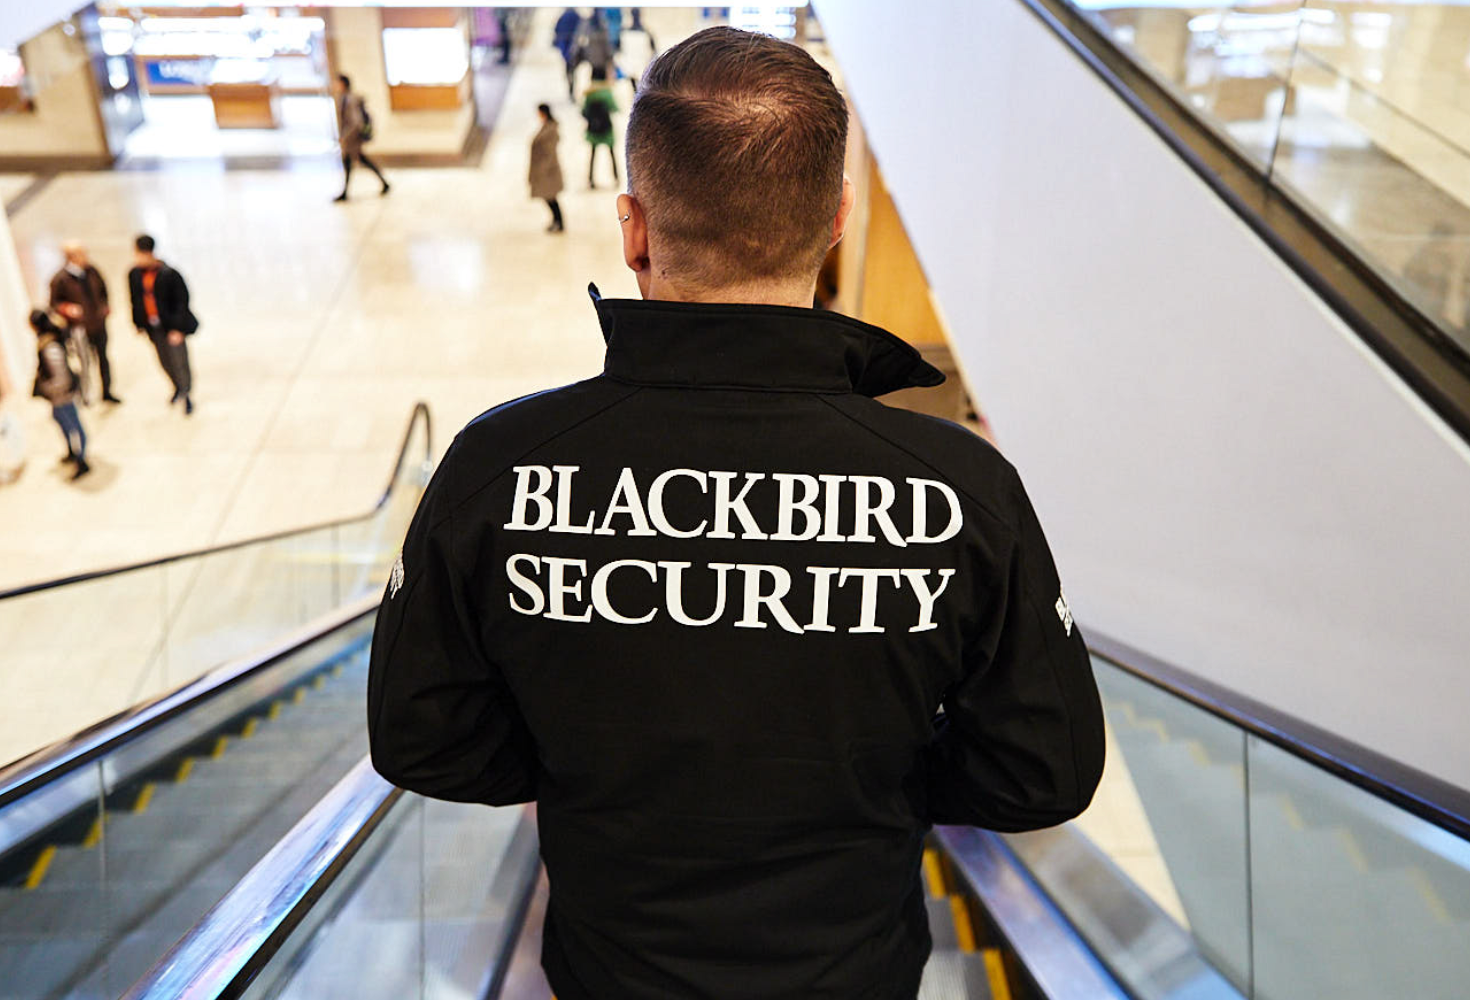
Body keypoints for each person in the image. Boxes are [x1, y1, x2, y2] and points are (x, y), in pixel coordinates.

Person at [368, 26, 1104, 1000]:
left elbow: (421, 733)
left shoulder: (500, 469)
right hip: (853, 974)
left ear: (633, 227)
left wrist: (575, 765)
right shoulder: (959, 491)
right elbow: (1042, 771)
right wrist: (879, 778)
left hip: (612, 973)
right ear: (835, 219)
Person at [127, 234, 198, 415]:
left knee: (179, 361)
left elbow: (182, 302)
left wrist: (178, 328)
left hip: (171, 327)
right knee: (164, 361)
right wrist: (138, 323)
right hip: (153, 327)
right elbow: (135, 300)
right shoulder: (134, 274)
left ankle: (186, 393)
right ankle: (177, 387)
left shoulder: (169, 274)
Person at [49, 239, 120, 405]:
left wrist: (105, 306)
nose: (86, 257)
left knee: (103, 359)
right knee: (85, 363)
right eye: (81, 254)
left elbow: (103, 290)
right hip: (79, 328)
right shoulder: (61, 279)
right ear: (71, 257)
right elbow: (54, 304)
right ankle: (87, 395)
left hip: (98, 323)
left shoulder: (91, 271)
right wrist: (67, 309)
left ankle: (107, 391)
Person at [30, 310, 90, 480]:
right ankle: (73, 452)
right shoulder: (48, 341)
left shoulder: (50, 346)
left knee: (75, 427)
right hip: (58, 395)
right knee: (62, 422)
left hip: (62, 395)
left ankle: (82, 460)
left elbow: (60, 376)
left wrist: (49, 390)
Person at [331, 74, 390, 202]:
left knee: (357, 161)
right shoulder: (344, 98)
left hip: (353, 139)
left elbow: (355, 122)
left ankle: (346, 192)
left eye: (337, 83)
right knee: (353, 162)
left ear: (343, 84)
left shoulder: (350, 99)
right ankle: (346, 191)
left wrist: (344, 137)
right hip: (350, 138)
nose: (334, 86)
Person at [530, 104, 566, 233]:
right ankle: (556, 221)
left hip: (547, 171)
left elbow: (549, 152)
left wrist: (542, 170)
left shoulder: (550, 130)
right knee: (549, 198)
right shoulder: (547, 126)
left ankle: (559, 222)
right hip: (544, 169)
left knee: (551, 198)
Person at [582, 67, 619, 189]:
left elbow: (584, 111)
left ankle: (590, 179)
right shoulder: (607, 92)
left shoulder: (589, 93)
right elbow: (614, 108)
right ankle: (616, 177)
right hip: (607, 128)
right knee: (611, 153)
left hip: (593, 129)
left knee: (593, 154)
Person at [553, 7, 582, 101]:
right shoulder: (577, 16)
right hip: (574, 46)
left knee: (568, 67)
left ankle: (570, 84)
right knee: (572, 68)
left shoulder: (563, 16)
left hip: (565, 45)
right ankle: (572, 84)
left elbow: (556, 29)